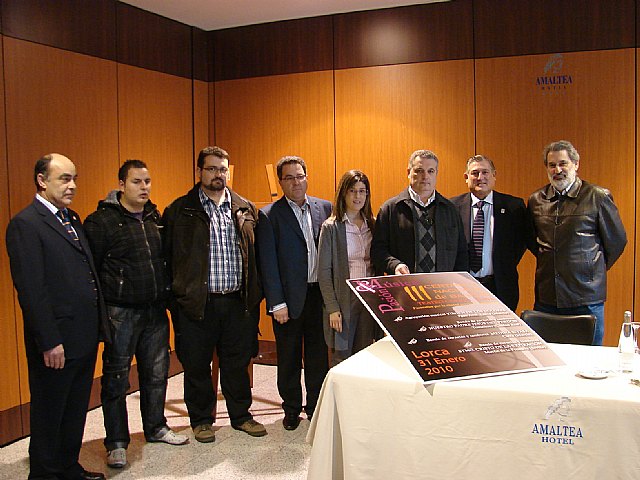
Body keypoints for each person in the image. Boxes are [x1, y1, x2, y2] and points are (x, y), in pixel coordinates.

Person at [6, 153, 108, 480]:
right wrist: (49, 341)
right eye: (64, 178)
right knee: (51, 412)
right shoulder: (26, 224)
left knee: (74, 409)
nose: (72, 185)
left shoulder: (71, 219)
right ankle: (46, 473)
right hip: (57, 341)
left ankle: (68, 467)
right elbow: (32, 291)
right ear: (41, 180)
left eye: (74, 178)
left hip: (83, 335)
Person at [84, 160, 188, 469]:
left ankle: (155, 427)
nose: (144, 187)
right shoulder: (101, 222)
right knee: (116, 379)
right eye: (137, 182)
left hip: (155, 310)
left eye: (147, 181)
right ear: (121, 185)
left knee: (156, 375)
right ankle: (116, 441)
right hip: (121, 313)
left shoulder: (155, 217)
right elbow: (92, 272)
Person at [161, 146, 266, 443]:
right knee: (196, 364)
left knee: (237, 360)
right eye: (211, 169)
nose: (218, 174)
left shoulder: (245, 208)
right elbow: (168, 258)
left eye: (223, 169)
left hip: (237, 302)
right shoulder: (180, 210)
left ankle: (241, 416)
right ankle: (201, 420)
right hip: (197, 304)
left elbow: (256, 255)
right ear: (199, 172)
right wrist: (177, 299)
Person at [256, 156, 331, 430]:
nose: (296, 182)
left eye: (300, 175)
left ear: (307, 176)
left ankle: (314, 407)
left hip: (318, 296)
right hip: (287, 300)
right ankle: (290, 409)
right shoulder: (269, 215)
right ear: (281, 182)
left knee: (317, 356)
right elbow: (268, 263)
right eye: (289, 177)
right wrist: (277, 303)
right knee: (288, 358)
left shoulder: (324, 207)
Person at [528, 140, 627, 345]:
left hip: (586, 298)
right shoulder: (537, 200)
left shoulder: (597, 196)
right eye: (552, 165)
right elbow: (533, 242)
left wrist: (591, 268)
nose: (558, 170)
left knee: (588, 362)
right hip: (547, 298)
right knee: (549, 361)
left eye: (563, 163)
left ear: (576, 164)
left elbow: (616, 241)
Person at [450, 155, 528, 311]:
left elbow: (521, 243)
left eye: (485, 172)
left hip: (500, 286)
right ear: (466, 177)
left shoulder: (514, 206)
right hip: (463, 287)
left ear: (494, 175)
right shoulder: (452, 207)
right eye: (475, 173)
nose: (480, 178)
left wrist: (503, 263)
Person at [371, 149, 468, 275]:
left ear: (436, 174)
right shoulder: (390, 209)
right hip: (405, 287)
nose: (425, 176)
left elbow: (461, 254)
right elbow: (378, 251)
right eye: (419, 171)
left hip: (442, 288)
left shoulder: (450, 210)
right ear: (408, 172)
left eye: (430, 171)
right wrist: (395, 265)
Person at [318, 170, 378, 366]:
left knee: (366, 354)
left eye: (362, 191)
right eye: (353, 191)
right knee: (342, 357)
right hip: (345, 299)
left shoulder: (373, 225)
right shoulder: (331, 227)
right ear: (343, 193)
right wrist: (333, 309)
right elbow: (324, 273)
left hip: (368, 298)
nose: (358, 196)